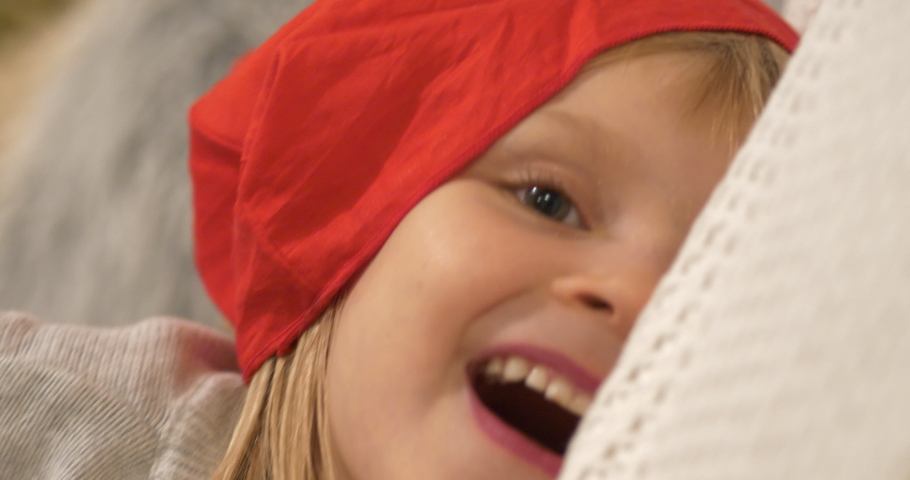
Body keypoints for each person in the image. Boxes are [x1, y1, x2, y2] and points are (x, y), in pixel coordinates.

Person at [0, 0, 797, 479]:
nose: (637, 298)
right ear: (352, 229)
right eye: (548, 201)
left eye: (704, 292)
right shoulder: (82, 420)